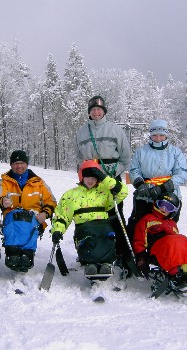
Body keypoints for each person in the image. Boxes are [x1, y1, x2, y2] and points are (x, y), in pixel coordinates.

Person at [75, 95, 132, 268]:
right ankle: (92, 248)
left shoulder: (115, 130)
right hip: (90, 179)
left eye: (99, 109)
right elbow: (78, 156)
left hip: (110, 177)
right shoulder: (82, 131)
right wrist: (84, 174)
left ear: (104, 111)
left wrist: (116, 170)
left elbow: (126, 157)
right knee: (90, 213)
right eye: (93, 110)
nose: (96, 112)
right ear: (89, 113)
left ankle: (122, 252)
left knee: (115, 215)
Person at [127, 119, 187, 275]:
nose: (158, 138)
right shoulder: (141, 151)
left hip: (168, 195)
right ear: (151, 135)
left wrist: (166, 187)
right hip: (146, 194)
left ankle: (166, 255)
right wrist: (140, 184)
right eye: (155, 135)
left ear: (166, 135)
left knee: (166, 227)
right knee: (141, 226)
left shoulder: (175, 152)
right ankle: (139, 256)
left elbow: (182, 173)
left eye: (161, 135)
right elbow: (134, 169)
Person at [51, 160, 128, 280]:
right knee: (88, 234)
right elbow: (62, 215)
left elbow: (123, 192)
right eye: (87, 177)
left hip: (103, 226)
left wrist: (105, 178)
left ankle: (105, 263)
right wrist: (57, 230)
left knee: (107, 234)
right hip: (84, 228)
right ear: (82, 177)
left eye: (94, 177)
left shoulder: (105, 191)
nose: (91, 180)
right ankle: (90, 263)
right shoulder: (71, 195)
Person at [0, 150, 57, 272]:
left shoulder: (39, 183)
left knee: (28, 225)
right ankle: (12, 253)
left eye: (22, 163)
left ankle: (26, 254)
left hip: (33, 217)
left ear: (27, 164)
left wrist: (45, 213)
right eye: (16, 163)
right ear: (11, 165)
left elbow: (51, 201)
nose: (19, 166)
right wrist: (3, 201)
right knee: (13, 224)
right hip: (12, 216)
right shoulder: (4, 181)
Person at [132, 192, 187, 290]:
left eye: (169, 208)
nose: (164, 209)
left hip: (171, 247)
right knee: (174, 241)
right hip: (156, 247)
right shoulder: (148, 219)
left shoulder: (172, 223)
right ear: (156, 204)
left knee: (182, 240)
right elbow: (139, 239)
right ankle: (175, 274)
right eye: (162, 205)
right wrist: (141, 257)